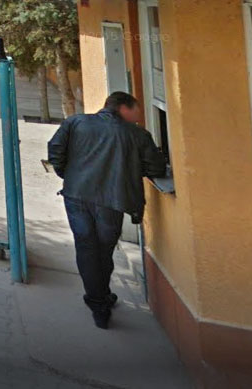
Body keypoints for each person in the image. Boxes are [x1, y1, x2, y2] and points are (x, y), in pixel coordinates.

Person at [47, 91, 166, 329]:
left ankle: (98, 300)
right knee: (103, 251)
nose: (139, 116)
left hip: (76, 196)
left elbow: (55, 151)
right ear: (124, 107)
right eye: (136, 109)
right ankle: (100, 301)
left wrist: (71, 177)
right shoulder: (137, 134)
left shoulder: (76, 122)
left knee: (86, 248)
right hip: (112, 201)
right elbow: (156, 167)